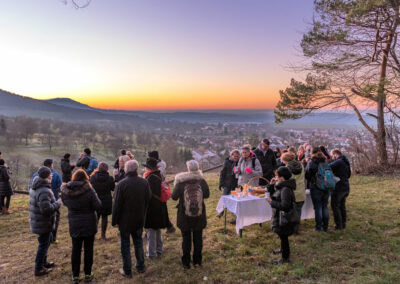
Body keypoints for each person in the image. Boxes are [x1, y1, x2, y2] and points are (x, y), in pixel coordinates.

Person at [61, 169, 102, 284]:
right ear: (85, 178)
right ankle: (88, 274)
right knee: (89, 249)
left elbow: (65, 203)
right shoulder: (89, 190)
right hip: (89, 223)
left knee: (76, 249)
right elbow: (98, 205)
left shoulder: (66, 191)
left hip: (74, 223)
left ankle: (75, 276)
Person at [112, 160, 151, 278]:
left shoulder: (121, 184)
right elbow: (148, 198)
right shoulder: (144, 182)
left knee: (125, 245)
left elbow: (117, 205)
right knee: (138, 242)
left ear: (126, 170)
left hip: (124, 220)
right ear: (136, 169)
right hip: (139, 217)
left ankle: (127, 270)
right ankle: (140, 266)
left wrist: (115, 221)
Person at [172, 160, 210, 269]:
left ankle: (186, 263)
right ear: (198, 168)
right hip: (199, 214)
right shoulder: (201, 180)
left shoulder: (181, 181)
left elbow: (174, 197)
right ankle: (197, 262)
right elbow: (207, 195)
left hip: (184, 215)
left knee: (186, 238)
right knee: (198, 238)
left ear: (188, 168)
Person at [29, 167, 62, 276]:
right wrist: (57, 203)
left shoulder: (37, 187)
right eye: (50, 174)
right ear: (47, 176)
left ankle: (43, 263)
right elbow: (46, 209)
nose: (52, 175)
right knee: (43, 245)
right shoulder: (44, 190)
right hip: (43, 222)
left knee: (46, 243)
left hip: (40, 221)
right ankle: (38, 268)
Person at [266, 166, 297, 264]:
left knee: (284, 237)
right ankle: (282, 249)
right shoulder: (281, 186)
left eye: (277, 175)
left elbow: (285, 205)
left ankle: (285, 258)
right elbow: (275, 195)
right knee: (281, 235)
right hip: (279, 216)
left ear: (282, 177)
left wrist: (271, 202)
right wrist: (271, 185)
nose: (275, 177)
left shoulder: (285, 189)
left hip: (283, 218)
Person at [30, 159, 62, 243]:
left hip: (37, 202)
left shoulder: (35, 175)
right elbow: (60, 188)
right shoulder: (56, 175)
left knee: (43, 219)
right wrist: (59, 199)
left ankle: (47, 238)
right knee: (54, 219)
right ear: (51, 165)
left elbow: (31, 187)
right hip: (53, 201)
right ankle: (52, 238)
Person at [143, 158, 169, 258]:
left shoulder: (150, 178)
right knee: (157, 228)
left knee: (151, 230)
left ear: (148, 168)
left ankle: (151, 253)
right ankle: (159, 249)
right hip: (160, 205)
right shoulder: (159, 175)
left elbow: (148, 194)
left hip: (151, 207)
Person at [148, 150, 176, 234]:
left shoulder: (158, 166)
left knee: (159, 209)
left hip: (159, 189)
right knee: (163, 208)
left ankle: (166, 226)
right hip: (160, 188)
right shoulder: (161, 164)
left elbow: (159, 177)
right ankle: (169, 226)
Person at [305, 147, 330, 232]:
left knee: (318, 207)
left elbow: (307, 176)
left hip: (315, 187)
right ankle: (325, 226)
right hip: (326, 187)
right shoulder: (325, 161)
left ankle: (318, 227)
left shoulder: (311, 162)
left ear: (312, 153)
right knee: (325, 206)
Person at [281, 152, 306, 234]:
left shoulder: (287, 168)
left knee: (289, 213)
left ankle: (290, 230)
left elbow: (285, 181)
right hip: (301, 192)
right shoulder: (301, 165)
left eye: (283, 160)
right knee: (298, 212)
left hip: (292, 193)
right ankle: (296, 230)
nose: (282, 162)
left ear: (286, 160)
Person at [90, 162, 115, 240]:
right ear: (107, 169)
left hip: (95, 199)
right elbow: (113, 188)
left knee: (95, 217)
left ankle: (93, 235)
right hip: (106, 200)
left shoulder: (93, 177)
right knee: (104, 217)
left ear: (98, 168)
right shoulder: (110, 178)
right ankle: (103, 235)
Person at [329, 149, 351, 230]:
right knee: (342, 206)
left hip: (339, 187)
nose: (332, 157)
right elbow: (348, 175)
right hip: (346, 186)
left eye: (332, 156)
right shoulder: (346, 161)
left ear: (335, 154)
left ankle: (338, 225)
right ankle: (343, 224)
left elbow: (328, 167)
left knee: (335, 206)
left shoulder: (339, 162)